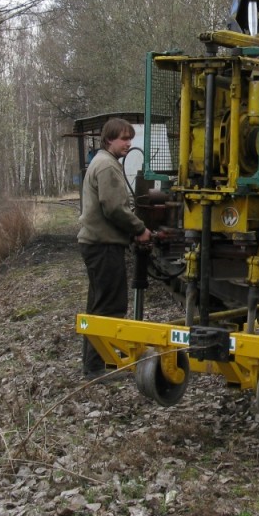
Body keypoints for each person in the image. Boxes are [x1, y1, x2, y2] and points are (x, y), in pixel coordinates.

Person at [78, 118, 152, 381]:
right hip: (103, 245)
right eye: (123, 138)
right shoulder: (107, 166)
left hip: (96, 243)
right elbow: (114, 209)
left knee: (98, 305)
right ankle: (99, 367)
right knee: (110, 306)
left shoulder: (102, 162)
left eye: (130, 138)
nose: (128, 143)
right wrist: (139, 229)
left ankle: (94, 363)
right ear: (109, 139)